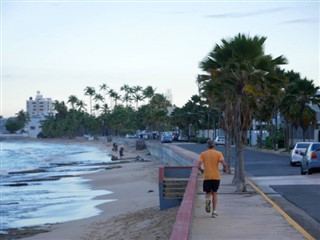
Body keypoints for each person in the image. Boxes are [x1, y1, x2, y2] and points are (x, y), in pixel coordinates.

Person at [197, 139, 227, 218]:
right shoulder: (218, 153)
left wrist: (202, 170)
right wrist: (224, 169)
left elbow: (198, 166)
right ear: (214, 145)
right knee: (215, 193)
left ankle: (208, 200)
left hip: (207, 177)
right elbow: (224, 164)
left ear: (207, 146)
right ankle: (214, 211)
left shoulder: (203, 154)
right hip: (216, 177)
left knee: (208, 193)